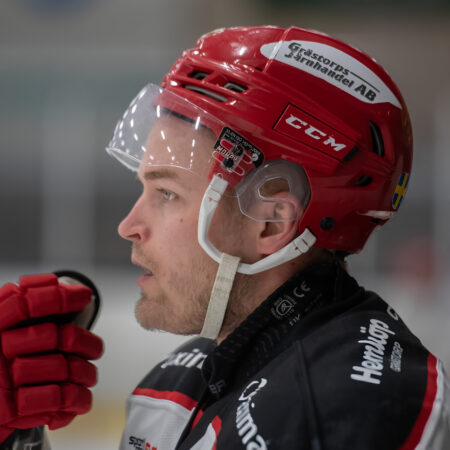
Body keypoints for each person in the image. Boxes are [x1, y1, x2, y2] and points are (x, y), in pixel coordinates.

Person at [0, 25, 449, 449]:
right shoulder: (179, 382)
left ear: (271, 223)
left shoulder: (341, 411)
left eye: (167, 193)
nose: (128, 225)